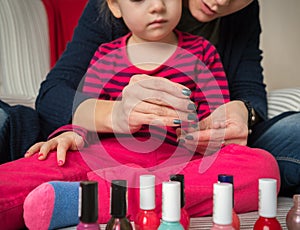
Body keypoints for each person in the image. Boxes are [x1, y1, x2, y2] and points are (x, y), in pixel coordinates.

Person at [0, 0, 280, 229]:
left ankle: (101, 197)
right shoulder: (105, 56)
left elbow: (214, 115)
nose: (157, 7)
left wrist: (206, 131)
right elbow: (83, 107)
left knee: (262, 167)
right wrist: (70, 134)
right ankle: (132, 192)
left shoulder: (203, 53)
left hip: (180, 162)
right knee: (36, 166)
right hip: (108, 152)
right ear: (115, 7)